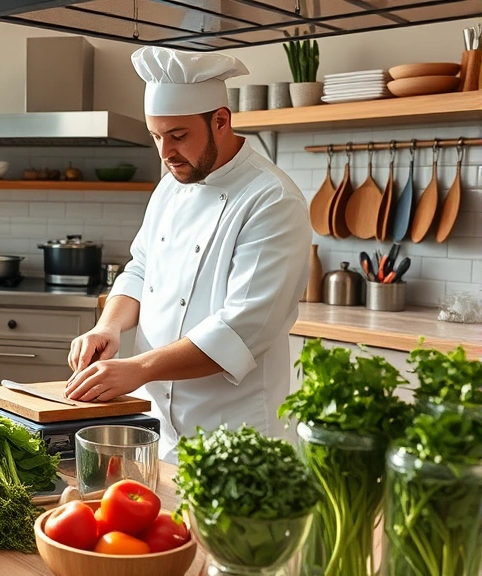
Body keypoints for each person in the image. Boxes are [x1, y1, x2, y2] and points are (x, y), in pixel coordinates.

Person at [65, 46, 312, 464]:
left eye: (178, 136)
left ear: (221, 120)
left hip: (235, 437)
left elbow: (241, 330)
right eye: (156, 137)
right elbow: (140, 270)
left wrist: (139, 368)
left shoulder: (272, 199)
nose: (165, 153)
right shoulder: (169, 186)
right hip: (157, 431)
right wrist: (108, 327)